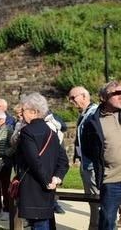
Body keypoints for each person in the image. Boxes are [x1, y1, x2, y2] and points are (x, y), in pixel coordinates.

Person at [16, 92, 69, 229]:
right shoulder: (52, 131)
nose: (21, 114)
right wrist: (56, 179)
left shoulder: (27, 131)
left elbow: (34, 161)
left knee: (39, 225)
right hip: (48, 187)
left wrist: (47, 181)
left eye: (23, 110)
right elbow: (63, 161)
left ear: (34, 111)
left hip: (34, 186)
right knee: (44, 222)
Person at [81, 81, 121, 230]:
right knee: (107, 221)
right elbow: (87, 149)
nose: (120, 96)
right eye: (116, 93)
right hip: (111, 180)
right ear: (103, 97)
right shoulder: (93, 123)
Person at [68, 86, 99, 230]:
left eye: (73, 98)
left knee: (96, 200)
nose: (70, 101)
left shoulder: (94, 113)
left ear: (84, 96)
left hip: (92, 166)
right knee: (93, 200)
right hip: (86, 164)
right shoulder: (85, 113)